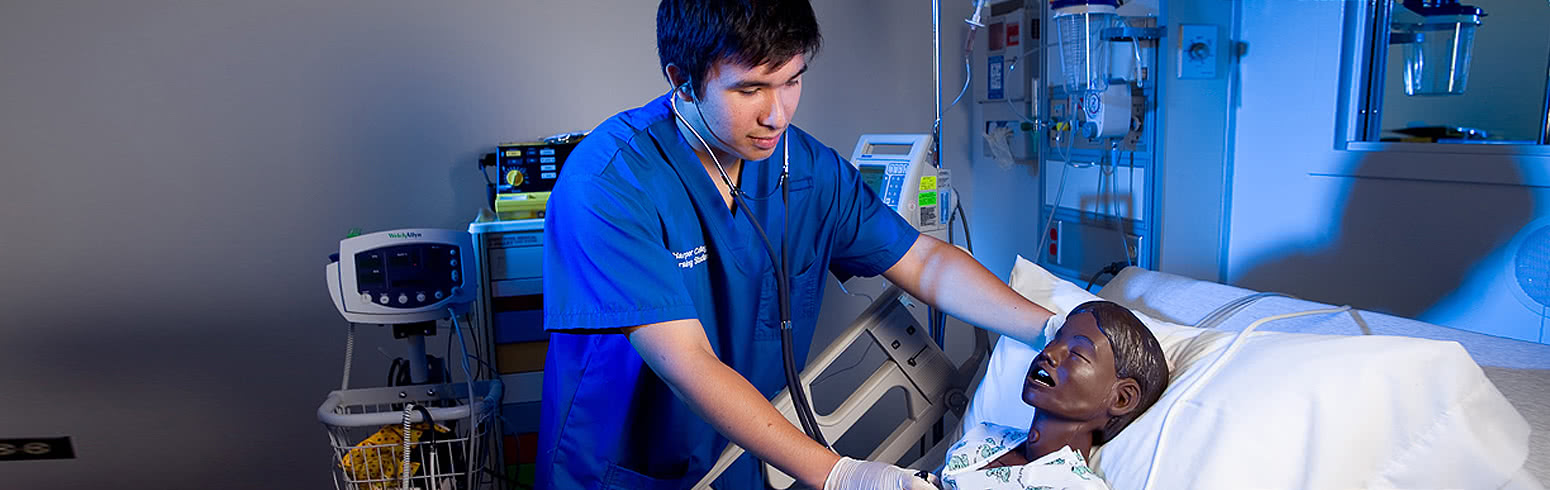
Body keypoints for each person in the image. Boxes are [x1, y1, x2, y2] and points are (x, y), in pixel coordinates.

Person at [538, 1, 1057, 488]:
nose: (777, 115)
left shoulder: (807, 169)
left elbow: (920, 260)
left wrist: (1051, 325)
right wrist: (840, 475)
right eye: (750, 90)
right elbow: (689, 359)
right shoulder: (608, 183)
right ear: (683, 81)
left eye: (792, 81)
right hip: (622, 467)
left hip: (740, 456)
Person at [939, 300, 1169, 490]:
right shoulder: (983, 436)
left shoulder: (1076, 486)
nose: (1048, 353)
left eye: (1078, 353)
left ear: (1121, 399)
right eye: (1055, 340)